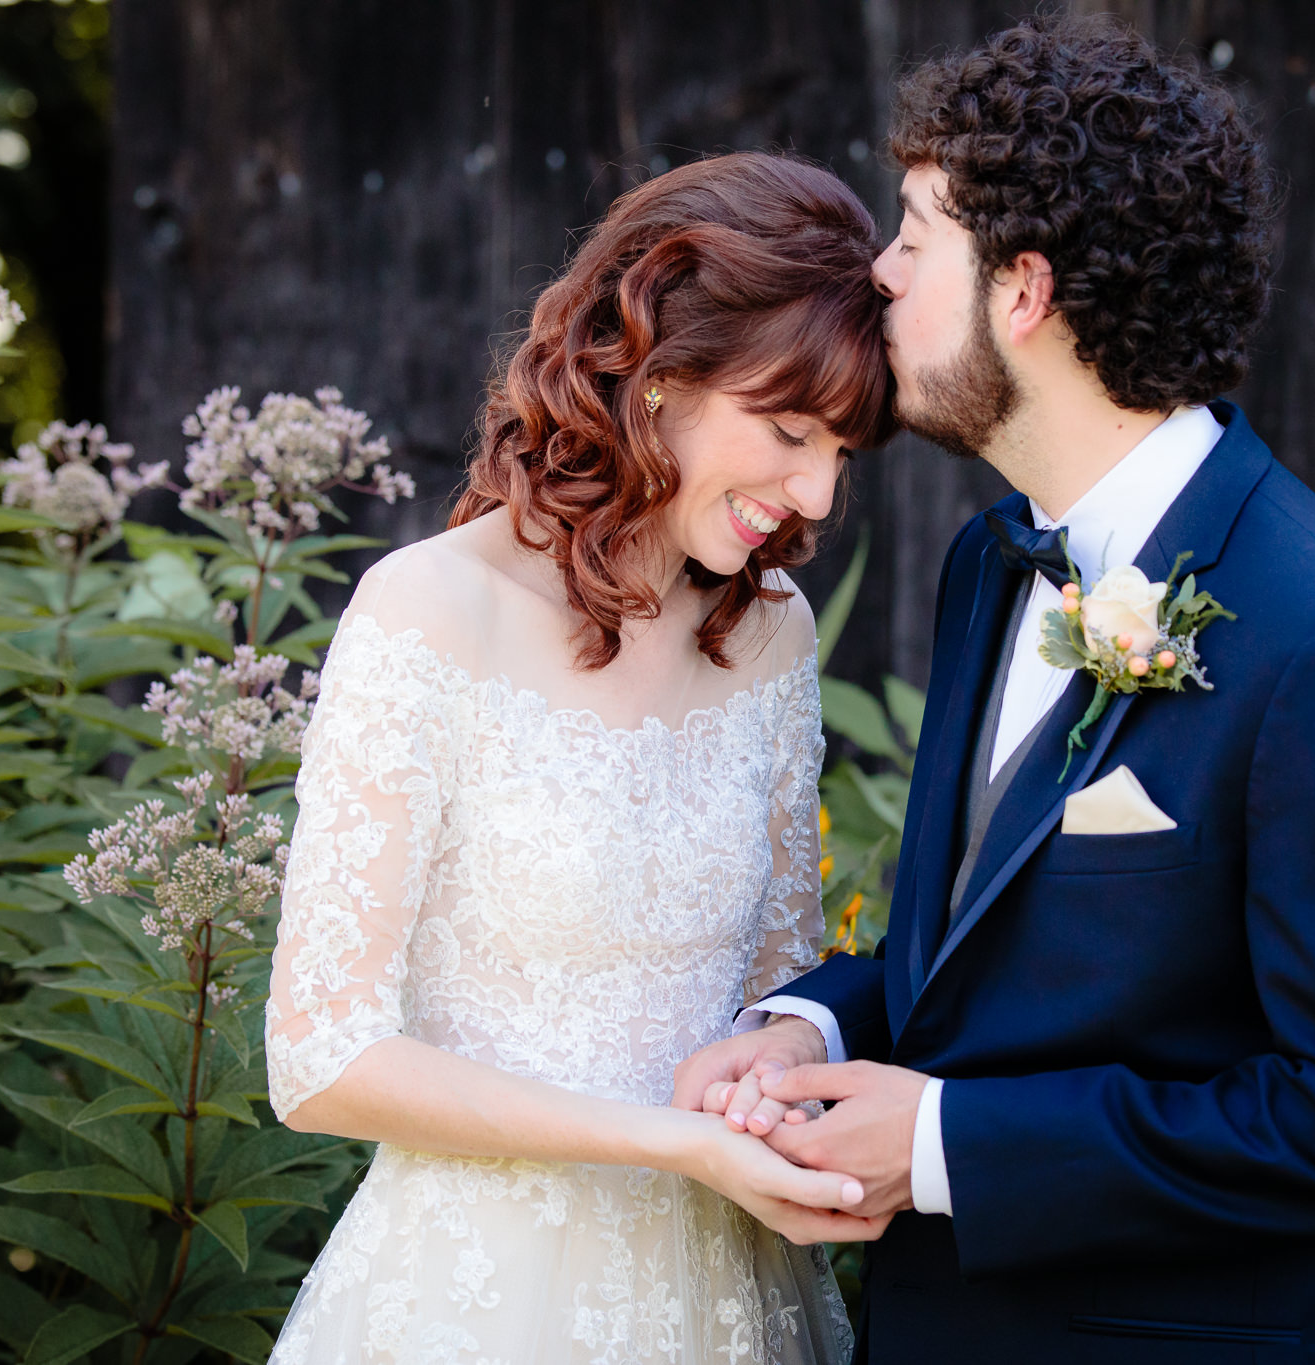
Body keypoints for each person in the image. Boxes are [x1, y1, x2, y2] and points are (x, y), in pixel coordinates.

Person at [674, 18, 1315, 1363]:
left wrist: (944, 1146)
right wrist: (809, 1021)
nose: (878, 272)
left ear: (1025, 294)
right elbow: (1010, 962)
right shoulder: (991, 560)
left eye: (915, 236)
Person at [263, 151, 896, 1364]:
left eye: (843, 453)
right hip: (481, 1297)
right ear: (656, 375)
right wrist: (672, 1142)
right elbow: (323, 1060)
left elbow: (777, 982)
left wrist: (771, 1080)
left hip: (730, 1290)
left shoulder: (769, 638)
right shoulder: (426, 613)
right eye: (787, 429)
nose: (814, 492)